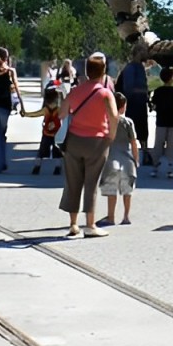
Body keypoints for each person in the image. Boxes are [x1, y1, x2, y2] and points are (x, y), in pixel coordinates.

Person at [58, 52, 118, 238]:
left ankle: (73, 224)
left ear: (86, 71)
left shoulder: (76, 91)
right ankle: (90, 225)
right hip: (97, 142)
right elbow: (114, 116)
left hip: (74, 140)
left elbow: (62, 113)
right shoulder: (105, 93)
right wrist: (111, 136)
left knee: (73, 182)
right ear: (104, 72)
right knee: (91, 183)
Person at [97, 92, 140, 226]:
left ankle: (111, 217)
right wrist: (136, 159)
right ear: (123, 107)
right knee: (127, 191)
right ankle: (126, 217)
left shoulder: (105, 121)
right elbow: (133, 142)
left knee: (111, 191)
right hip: (127, 162)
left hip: (110, 161)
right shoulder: (128, 122)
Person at [0, 47, 25, 173]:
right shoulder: (10, 71)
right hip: (4, 108)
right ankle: (2, 163)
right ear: (6, 58)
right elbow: (17, 90)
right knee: (2, 136)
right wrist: (22, 106)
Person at [116, 49, 152, 166]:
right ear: (137, 54)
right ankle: (133, 154)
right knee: (132, 129)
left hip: (140, 103)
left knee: (142, 128)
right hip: (133, 103)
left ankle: (145, 152)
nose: (145, 54)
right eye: (142, 52)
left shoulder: (140, 67)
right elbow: (128, 88)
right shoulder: (130, 68)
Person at [22, 85, 63, 175]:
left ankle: (37, 167)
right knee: (57, 152)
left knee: (41, 152)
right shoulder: (59, 110)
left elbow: (35, 114)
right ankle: (57, 168)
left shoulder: (46, 109)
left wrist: (26, 114)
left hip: (46, 133)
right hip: (57, 134)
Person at [151, 66, 173, 179]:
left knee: (158, 144)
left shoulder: (157, 91)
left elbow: (154, 106)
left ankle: (155, 167)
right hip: (172, 122)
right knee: (171, 145)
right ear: (171, 78)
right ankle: (170, 169)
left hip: (160, 121)